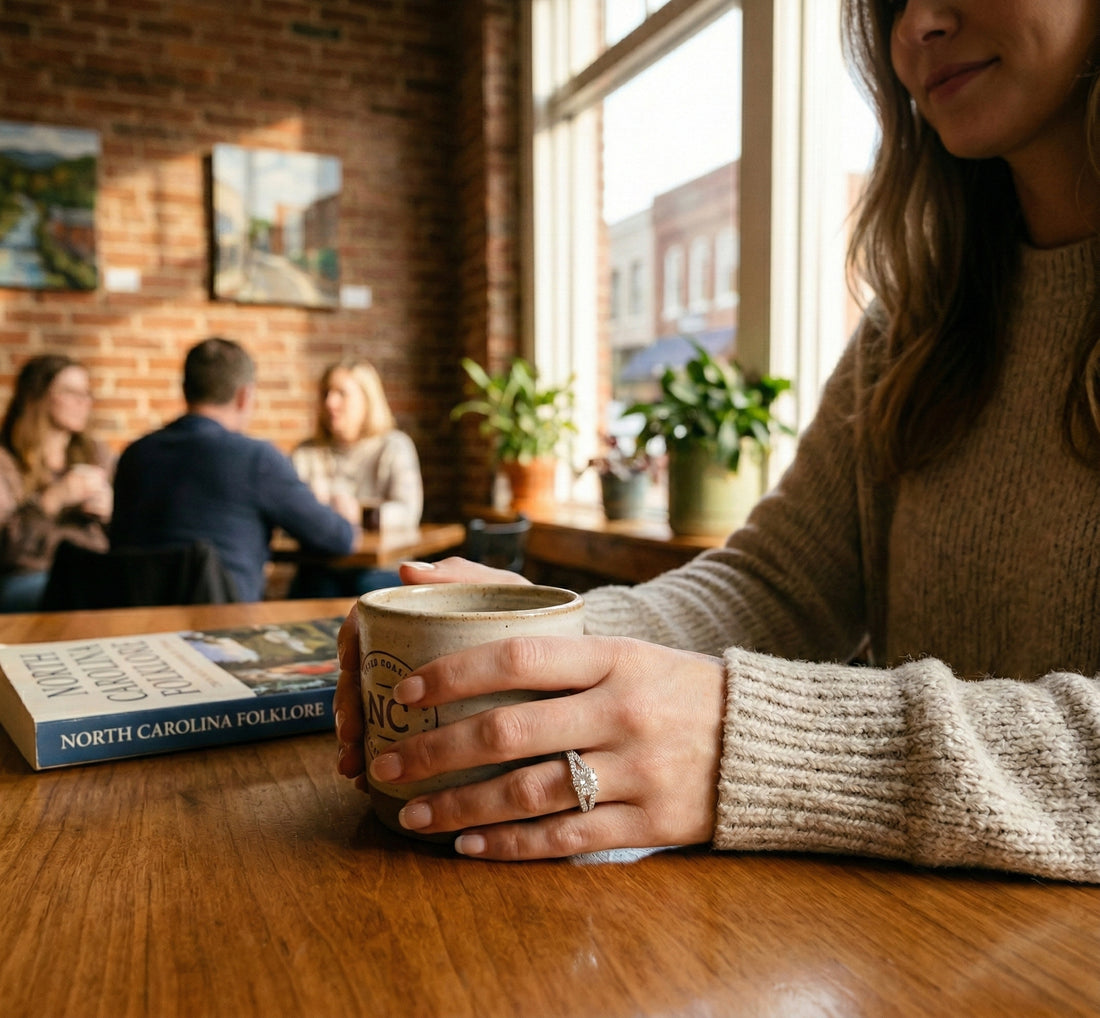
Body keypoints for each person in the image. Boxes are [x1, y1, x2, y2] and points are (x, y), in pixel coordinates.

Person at [332, 0, 1100, 882]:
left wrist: (753, 740)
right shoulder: (920, 320)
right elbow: (780, 585)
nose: (915, 25)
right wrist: (539, 643)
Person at [111, 337, 357, 603]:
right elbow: (337, 539)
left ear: (185, 389)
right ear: (243, 396)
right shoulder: (256, 459)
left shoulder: (134, 455)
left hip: (137, 621)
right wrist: (348, 516)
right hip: (226, 623)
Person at [289, 358, 423, 596]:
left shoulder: (394, 446)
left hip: (380, 568)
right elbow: (290, 513)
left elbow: (408, 511)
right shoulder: (305, 452)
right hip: (321, 564)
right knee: (315, 586)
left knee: (365, 589)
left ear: (367, 400)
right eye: (326, 393)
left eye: (342, 393)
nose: (330, 402)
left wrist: (359, 513)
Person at [0, 354, 113, 611]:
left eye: (87, 393)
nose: (83, 402)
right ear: (36, 396)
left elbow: (129, 534)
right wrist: (51, 500)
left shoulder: (97, 454)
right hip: (31, 575)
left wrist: (111, 511)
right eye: (71, 392)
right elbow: (6, 550)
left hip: (94, 569)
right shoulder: (6, 461)